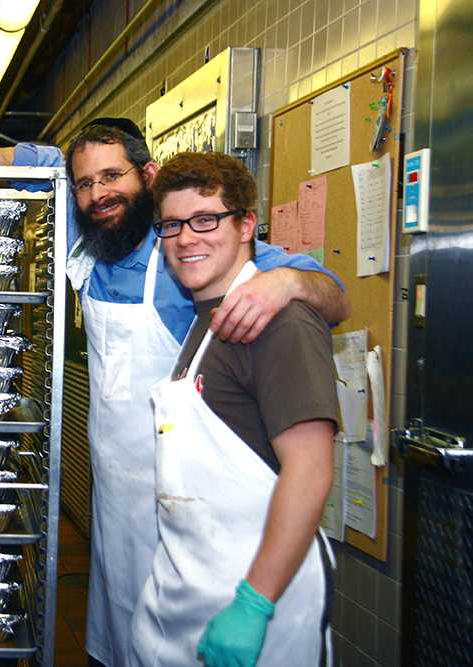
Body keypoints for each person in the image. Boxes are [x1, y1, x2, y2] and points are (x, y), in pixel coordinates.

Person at [0, 121, 349, 667]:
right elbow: (44, 163)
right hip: (114, 494)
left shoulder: (189, 255)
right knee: (125, 636)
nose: (96, 195)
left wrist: (288, 283)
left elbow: (331, 294)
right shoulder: (90, 243)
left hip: (187, 502)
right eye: (85, 184)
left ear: (148, 176)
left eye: (112, 176)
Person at [134, 152, 337, 666]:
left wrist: (255, 602)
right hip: (192, 590)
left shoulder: (281, 322)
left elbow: (310, 469)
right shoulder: (208, 318)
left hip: (259, 600)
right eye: (173, 225)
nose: (186, 239)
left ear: (246, 224)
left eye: (206, 220)